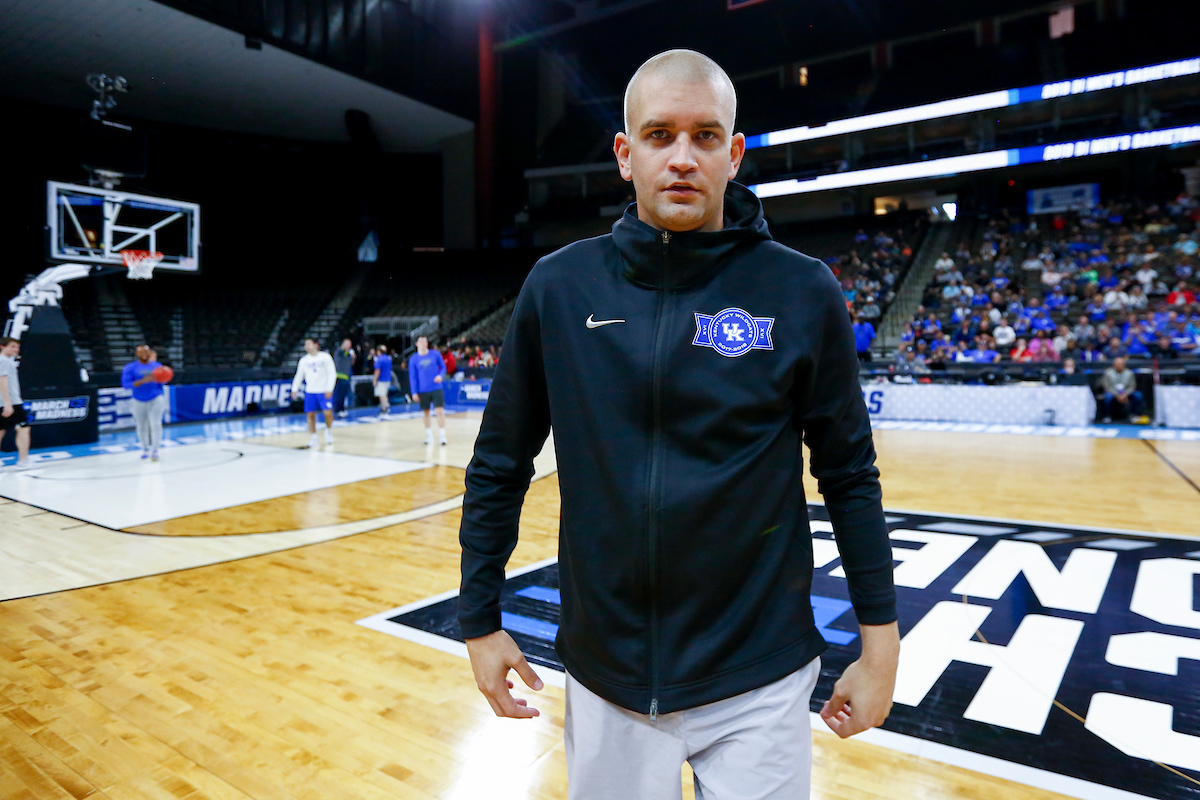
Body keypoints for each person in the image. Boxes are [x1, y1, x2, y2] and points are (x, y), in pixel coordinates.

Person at [458, 50, 898, 800]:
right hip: (608, 678)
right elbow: (501, 460)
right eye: (660, 136)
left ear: (734, 155)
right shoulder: (559, 288)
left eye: (704, 136)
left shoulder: (800, 289)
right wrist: (479, 616)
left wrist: (880, 640)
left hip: (760, 674)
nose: (683, 158)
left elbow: (849, 474)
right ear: (626, 157)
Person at [121, 344, 167, 461]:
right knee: (141, 425)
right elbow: (126, 385)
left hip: (156, 397)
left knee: (156, 423)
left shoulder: (157, 366)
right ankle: (145, 448)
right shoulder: (130, 367)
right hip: (138, 399)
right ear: (137, 354)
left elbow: (162, 382)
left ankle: (155, 450)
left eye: (146, 352)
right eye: (141, 352)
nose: (144, 355)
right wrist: (143, 381)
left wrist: (164, 378)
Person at [291, 338, 336, 448]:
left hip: (323, 390)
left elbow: (332, 374)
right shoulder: (304, 360)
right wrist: (294, 389)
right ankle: (313, 437)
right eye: (305, 344)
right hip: (310, 391)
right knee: (310, 414)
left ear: (316, 345)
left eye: (309, 344)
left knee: (328, 413)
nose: (306, 346)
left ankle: (328, 432)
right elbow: (299, 375)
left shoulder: (325, 357)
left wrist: (329, 388)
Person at [408, 336, 447, 445]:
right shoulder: (414, 359)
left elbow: (443, 367)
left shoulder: (435, 354)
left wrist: (440, 375)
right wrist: (414, 392)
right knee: (426, 412)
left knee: (439, 411)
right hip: (423, 390)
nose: (423, 343)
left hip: (436, 388)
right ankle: (429, 435)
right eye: (421, 341)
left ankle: (442, 435)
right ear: (416, 343)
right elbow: (413, 376)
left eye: (425, 341)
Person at [0, 337, 31, 471]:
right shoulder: (4, 361)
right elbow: (2, 381)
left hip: (6, 402)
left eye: (17, 347)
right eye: (12, 346)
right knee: (24, 428)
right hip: (11, 402)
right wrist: (8, 403)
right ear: (2, 347)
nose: (16, 349)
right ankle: (23, 461)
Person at [1100, 356, 1142, 422]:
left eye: (1121, 364)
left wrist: (1125, 394)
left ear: (1124, 365)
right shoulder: (1108, 373)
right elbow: (1107, 386)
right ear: (1114, 365)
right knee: (1107, 397)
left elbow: (1132, 386)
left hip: (1126, 393)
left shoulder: (1129, 373)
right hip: (1113, 392)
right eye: (1117, 364)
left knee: (1138, 395)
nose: (1119, 366)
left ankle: (1133, 414)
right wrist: (1117, 395)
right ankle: (1107, 416)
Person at [332, 338, 355, 418]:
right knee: (339, 395)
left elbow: (351, 363)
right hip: (339, 376)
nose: (349, 346)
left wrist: (353, 357)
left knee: (344, 394)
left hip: (346, 376)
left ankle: (342, 409)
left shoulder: (348, 354)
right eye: (347, 344)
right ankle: (337, 410)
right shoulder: (339, 352)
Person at [373, 344, 394, 415]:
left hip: (381, 380)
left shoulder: (379, 360)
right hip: (388, 379)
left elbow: (377, 370)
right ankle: (385, 407)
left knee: (382, 395)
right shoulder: (388, 359)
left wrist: (375, 380)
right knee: (385, 394)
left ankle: (385, 408)